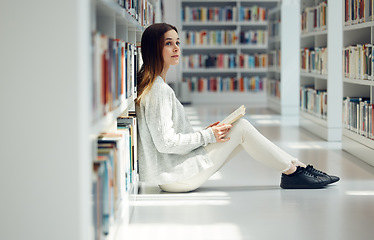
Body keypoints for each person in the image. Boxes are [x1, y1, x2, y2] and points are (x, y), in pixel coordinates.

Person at [135, 23, 339, 193]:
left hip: (175, 172)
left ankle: (297, 169)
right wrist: (208, 136)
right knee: (241, 128)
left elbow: (168, 136)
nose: (177, 48)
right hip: (177, 177)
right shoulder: (158, 90)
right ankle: (294, 172)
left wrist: (208, 132)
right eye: (168, 43)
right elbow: (166, 143)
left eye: (177, 42)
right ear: (154, 48)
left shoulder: (155, 86)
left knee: (237, 129)